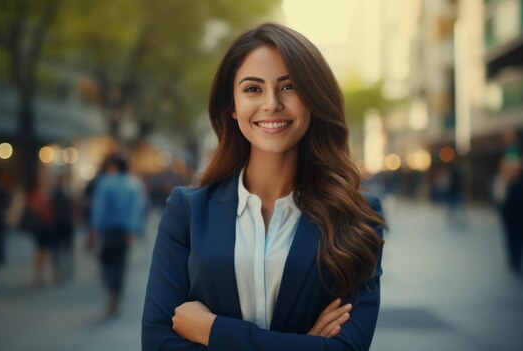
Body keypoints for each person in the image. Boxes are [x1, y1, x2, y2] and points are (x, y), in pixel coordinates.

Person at [142, 23, 386, 350]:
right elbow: (158, 343)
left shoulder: (358, 218)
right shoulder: (186, 212)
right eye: (253, 89)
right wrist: (301, 344)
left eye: (289, 87)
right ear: (232, 105)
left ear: (313, 99)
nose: (271, 104)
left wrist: (211, 330)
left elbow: (347, 349)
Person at [88, 155, 145, 316]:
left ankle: (110, 290)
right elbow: (137, 209)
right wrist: (133, 230)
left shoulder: (105, 183)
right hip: (125, 232)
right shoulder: (134, 184)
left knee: (106, 261)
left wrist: (94, 229)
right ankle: (116, 294)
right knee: (120, 265)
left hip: (108, 231)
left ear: (113, 166)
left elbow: (99, 209)